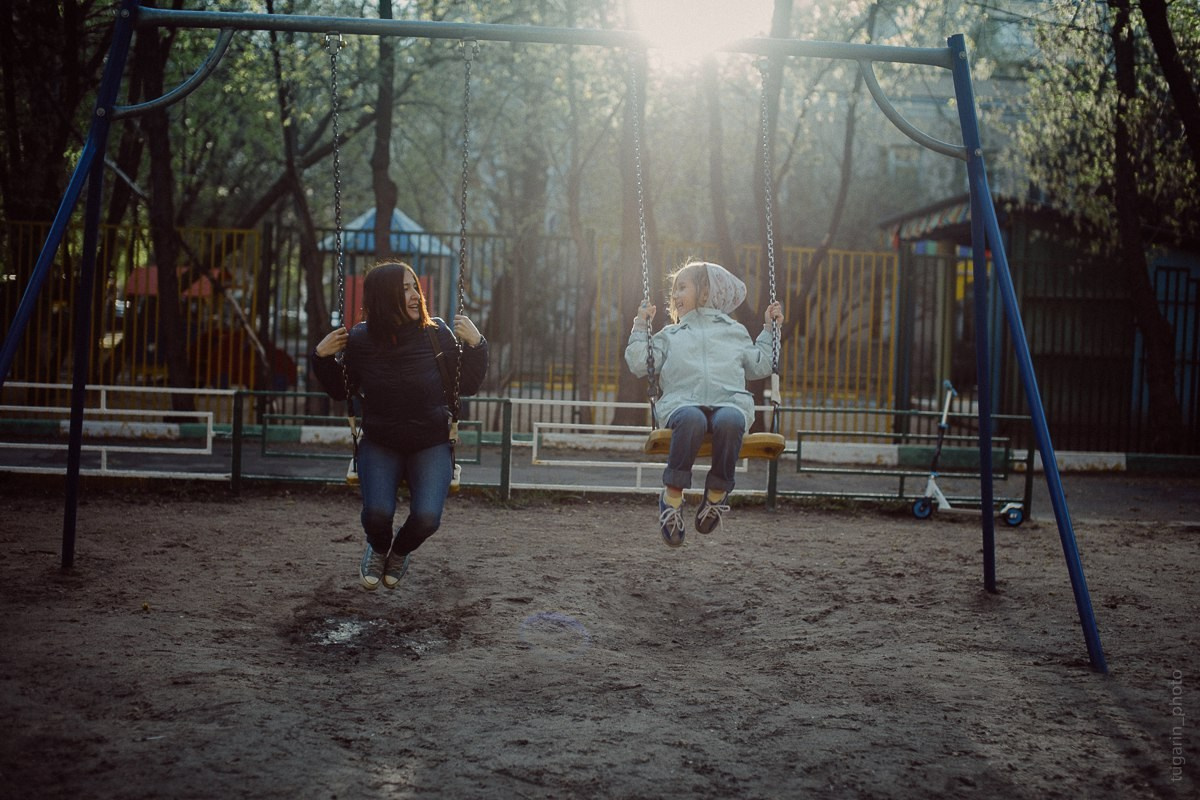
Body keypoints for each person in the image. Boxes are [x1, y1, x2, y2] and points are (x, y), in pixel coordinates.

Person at [312, 261, 488, 590]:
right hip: (381, 441)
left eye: (414, 287)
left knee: (426, 518)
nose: (414, 295)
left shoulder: (437, 334)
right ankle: (378, 547)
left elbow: (469, 384)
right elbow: (342, 389)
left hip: (431, 441)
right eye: (404, 289)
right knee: (377, 513)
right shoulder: (362, 339)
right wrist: (321, 357)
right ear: (383, 297)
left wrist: (477, 344)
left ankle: (400, 551)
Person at [625, 260, 784, 547]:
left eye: (682, 287)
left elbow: (761, 364)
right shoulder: (671, 335)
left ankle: (716, 494)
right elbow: (639, 362)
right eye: (674, 290)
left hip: (728, 402)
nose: (675, 295)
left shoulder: (734, 332)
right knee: (692, 419)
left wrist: (770, 330)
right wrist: (640, 325)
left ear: (707, 291)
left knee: (731, 421)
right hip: (682, 404)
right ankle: (672, 498)